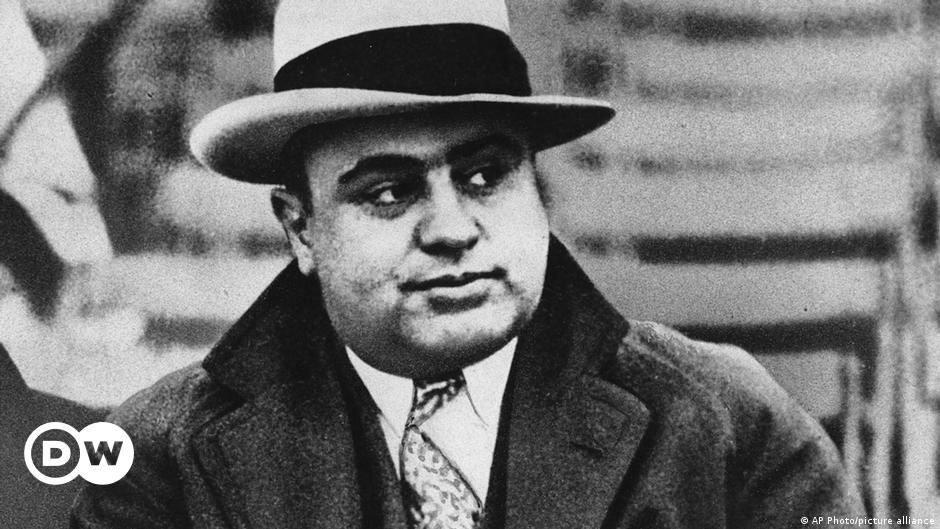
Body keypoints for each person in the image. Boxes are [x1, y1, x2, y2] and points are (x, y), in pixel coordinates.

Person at [72, 1, 866, 527]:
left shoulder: (728, 425)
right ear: (301, 228)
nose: (452, 229)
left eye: (486, 175)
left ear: (536, 184)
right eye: (389, 191)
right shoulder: (160, 460)